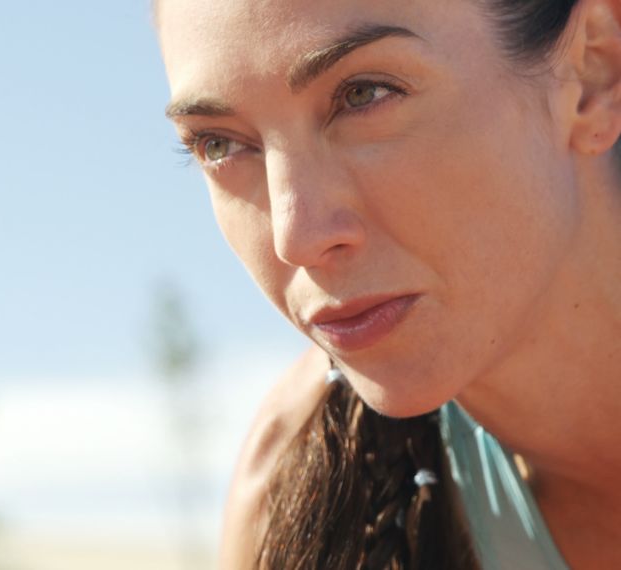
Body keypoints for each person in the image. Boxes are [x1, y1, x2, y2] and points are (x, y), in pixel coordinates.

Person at [156, 0, 621, 567]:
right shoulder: (293, 485)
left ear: (595, 69)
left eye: (364, 94)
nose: (295, 237)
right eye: (219, 144)